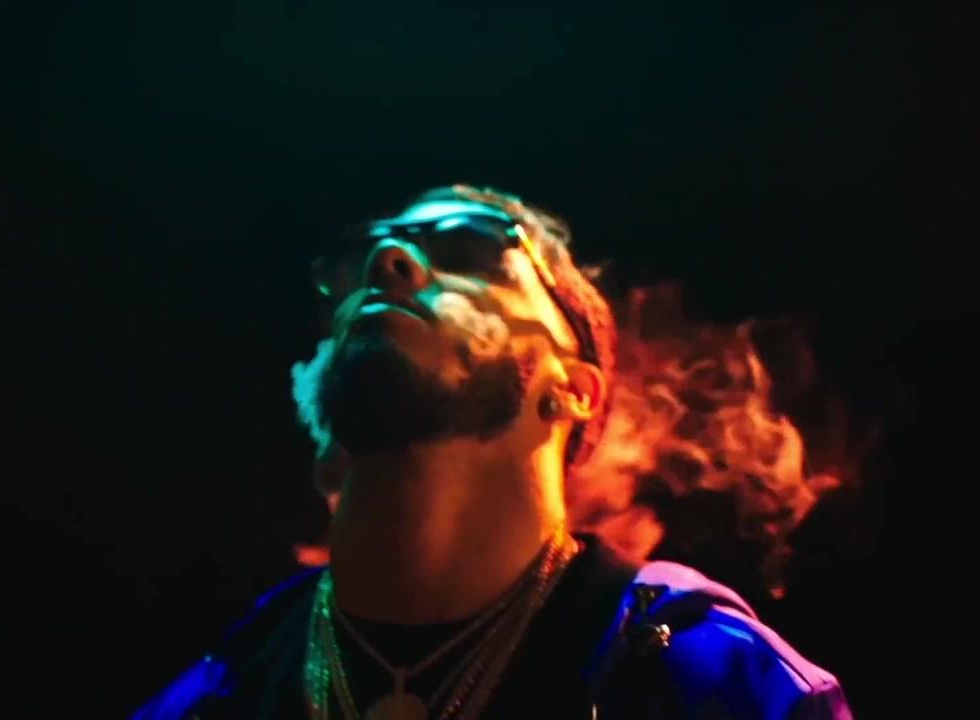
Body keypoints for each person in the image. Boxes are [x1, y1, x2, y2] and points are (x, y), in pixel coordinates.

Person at [132, 186, 852, 719]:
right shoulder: (215, 694)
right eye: (361, 261)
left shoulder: (716, 681)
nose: (387, 261)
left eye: (471, 255)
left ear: (574, 390)